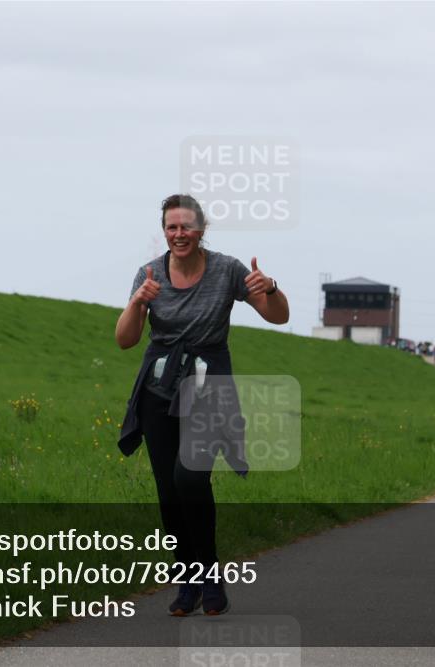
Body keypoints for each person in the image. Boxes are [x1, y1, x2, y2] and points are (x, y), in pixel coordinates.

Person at [115, 194, 289, 616]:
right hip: (159, 390)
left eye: (187, 227)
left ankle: (210, 577)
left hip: (209, 388)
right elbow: (124, 339)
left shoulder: (227, 269)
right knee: (168, 493)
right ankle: (188, 583)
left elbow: (278, 316)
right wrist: (138, 302)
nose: (179, 235)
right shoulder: (149, 273)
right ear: (164, 231)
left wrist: (270, 288)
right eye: (172, 228)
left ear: (201, 230)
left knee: (189, 479)